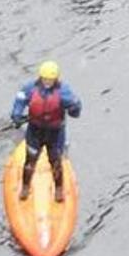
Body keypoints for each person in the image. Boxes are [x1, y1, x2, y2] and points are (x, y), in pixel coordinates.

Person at [11, 60, 82, 202]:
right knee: (30, 161)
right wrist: (16, 116)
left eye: (50, 79)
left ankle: (59, 189)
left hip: (55, 133)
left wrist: (74, 108)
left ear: (56, 79)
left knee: (55, 161)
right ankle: (25, 186)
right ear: (40, 77)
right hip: (35, 131)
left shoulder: (64, 92)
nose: (47, 82)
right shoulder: (30, 88)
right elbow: (19, 101)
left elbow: (76, 109)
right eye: (45, 79)